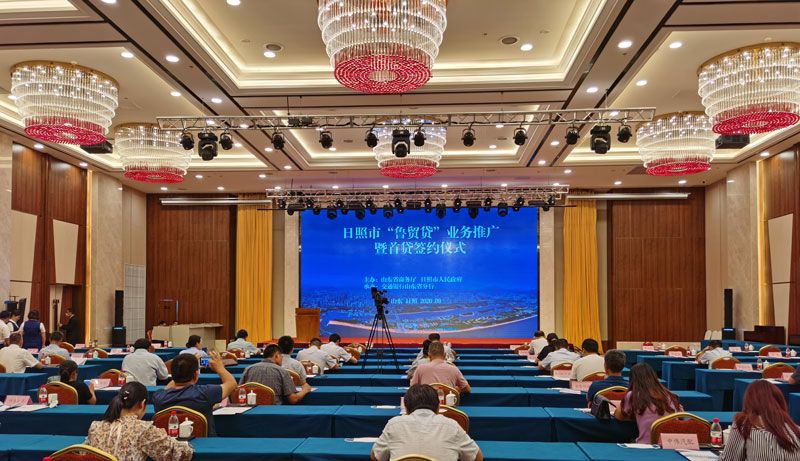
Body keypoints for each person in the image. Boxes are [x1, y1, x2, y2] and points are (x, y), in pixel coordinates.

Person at [371, 384, 483, 461]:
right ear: (438, 408)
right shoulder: (452, 425)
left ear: (406, 409)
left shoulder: (394, 424)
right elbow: (477, 458)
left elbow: (375, 456)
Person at [86, 382, 193, 461]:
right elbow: (179, 454)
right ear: (142, 404)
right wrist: (166, 437)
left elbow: (83, 452)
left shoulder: (95, 426)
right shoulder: (143, 429)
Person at [152, 351, 236, 437]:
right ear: (196, 374)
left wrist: (181, 370)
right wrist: (220, 368)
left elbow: (168, 388)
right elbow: (232, 383)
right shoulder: (205, 393)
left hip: (171, 443)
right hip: (204, 443)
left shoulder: (158, 397)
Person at [720, 379, 800, 461]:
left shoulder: (744, 424)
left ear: (749, 401)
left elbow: (728, 459)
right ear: (780, 401)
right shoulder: (795, 429)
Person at [615, 363, 682, 444]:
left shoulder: (633, 395)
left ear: (632, 380)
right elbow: (681, 415)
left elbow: (619, 416)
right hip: (671, 444)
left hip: (646, 445)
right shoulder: (670, 395)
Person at [240, 344, 312, 404]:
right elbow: (293, 399)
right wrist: (305, 390)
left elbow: (239, 390)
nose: (282, 359)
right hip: (273, 409)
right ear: (276, 356)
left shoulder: (248, 369)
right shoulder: (282, 371)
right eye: (281, 356)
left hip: (251, 409)